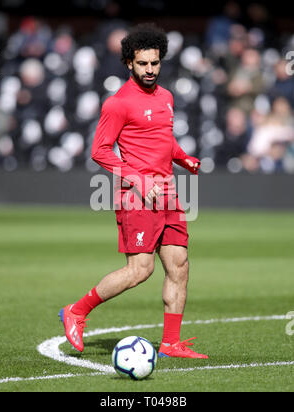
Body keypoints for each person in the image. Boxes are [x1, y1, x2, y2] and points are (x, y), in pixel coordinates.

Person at [59, 23, 208, 360]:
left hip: (168, 192)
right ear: (129, 63)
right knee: (140, 271)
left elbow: (162, 138)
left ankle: (170, 342)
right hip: (137, 197)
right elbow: (100, 150)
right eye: (143, 64)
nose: (150, 70)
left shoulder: (167, 98)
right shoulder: (118, 104)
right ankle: (77, 311)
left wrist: (182, 157)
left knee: (179, 265)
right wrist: (139, 181)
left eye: (155, 63)